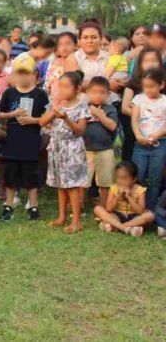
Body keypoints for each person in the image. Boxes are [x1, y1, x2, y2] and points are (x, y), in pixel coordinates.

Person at [0, 55, 49, 221]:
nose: (23, 76)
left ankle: (33, 206)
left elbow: (48, 117)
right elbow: (0, 114)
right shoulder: (9, 93)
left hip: (31, 141)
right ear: (13, 75)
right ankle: (9, 205)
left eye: (27, 73)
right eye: (20, 73)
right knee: (10, 176)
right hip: (11, 142)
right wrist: (13, 114)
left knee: (31, 176)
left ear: (35, 74)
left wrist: (32, 120)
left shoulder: (40, 94)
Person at [40, 72, 90, 233]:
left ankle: (76, 221)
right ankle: (62, 216)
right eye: (60, 86)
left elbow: (80, 131)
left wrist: (66, 118)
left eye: (66, 86)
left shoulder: (81, 106)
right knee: (60, 184)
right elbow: (41, 122)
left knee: (72, 185)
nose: (62, 90)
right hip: (56, 147)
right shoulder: (57, 104)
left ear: (77, 89)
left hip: (72, 149)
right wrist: (54, 112)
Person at [130, 68, 166, 210]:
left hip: (160, 144)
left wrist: (158, 134)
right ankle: (135, 208)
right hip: (140, 145)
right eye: (145, 87)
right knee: (138, 176)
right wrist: (138, 136)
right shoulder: (139, 99)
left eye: (151, 86)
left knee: (155, 178)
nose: (148, 90)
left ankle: (150, 210)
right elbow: (134, 120)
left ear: (161, 85)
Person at [120, 48, 163, 161]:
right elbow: (125, 108)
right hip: (137, 129)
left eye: (154, 60)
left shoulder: (162, 83)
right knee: (135, 162)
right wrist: (143, 115)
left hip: (161, 131)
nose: (150, 64)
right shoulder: (133, 82)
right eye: (146, 61)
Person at [92, 162, 154, 237]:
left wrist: (129, 197)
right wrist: (118, 196)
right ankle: (127, 229)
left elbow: (140, 211)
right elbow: (109, 209)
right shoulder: (113, 188)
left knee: (150, 215)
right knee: (97, 209)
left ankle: (116, 226)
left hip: (134, 218)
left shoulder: (140, 190)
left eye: (124, 178)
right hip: (117, 216)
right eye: (118, 178)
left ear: (134, 179)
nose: (120, 181)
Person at [83, 77, 118, 207]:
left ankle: (104, 207)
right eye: (94, 92)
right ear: (87, 92)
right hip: (85, 149)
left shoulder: (110, 109)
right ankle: (78, 206)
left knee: (105, 181)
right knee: (83, 181)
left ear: (108, 94)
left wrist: (99, 114)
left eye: (102, 92)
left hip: (105, 149)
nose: (98, 95)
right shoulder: (83, 107)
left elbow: (113, 126)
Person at [43, 32, 79, 104]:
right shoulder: (53, 63)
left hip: (71, 103)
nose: (64, 47)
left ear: (75, 46)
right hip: (53, 103)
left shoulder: (77, 61)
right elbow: (47, 85)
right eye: (60, 44)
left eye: (68, 44)